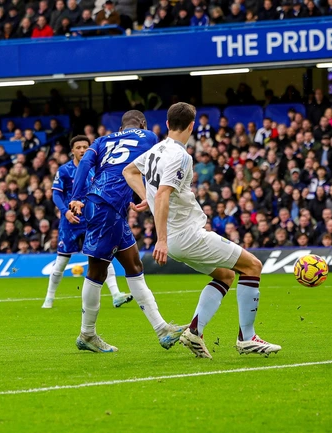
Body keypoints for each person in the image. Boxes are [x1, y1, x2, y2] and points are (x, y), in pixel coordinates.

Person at [123, 102, 281, 359]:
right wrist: (159, 237)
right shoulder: (180, 155)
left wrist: (146, 198)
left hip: (177, 239)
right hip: (186, 235)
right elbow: (163, 193)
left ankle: (194, 332)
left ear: (166, 124)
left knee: (226, 276)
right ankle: (247, 338)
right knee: (252, 266)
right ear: (192, 126)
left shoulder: (156, 150)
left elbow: (129, 171)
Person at [69, 110, 184, 353]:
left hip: (104, 205)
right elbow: (155, 171)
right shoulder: (148, 136)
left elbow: (85, 164)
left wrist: (78, 196)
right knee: (97, 271)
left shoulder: (101, 140)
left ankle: (162, 330)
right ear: (142, 124)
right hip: (106, 206)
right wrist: (148, 197)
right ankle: (87, 334)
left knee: (134, 265)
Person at [41, 136, 133, 309]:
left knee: (102, 255)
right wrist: (66, 212)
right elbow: (56, 194)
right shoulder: (65, 170)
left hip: (92, 219)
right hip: (70, 221)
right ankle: (49, 298)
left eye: (85, 146)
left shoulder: (95, 169)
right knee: (61, 261)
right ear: (72, 150)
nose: (82, 150)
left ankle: (116, 295)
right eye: (78, 147)